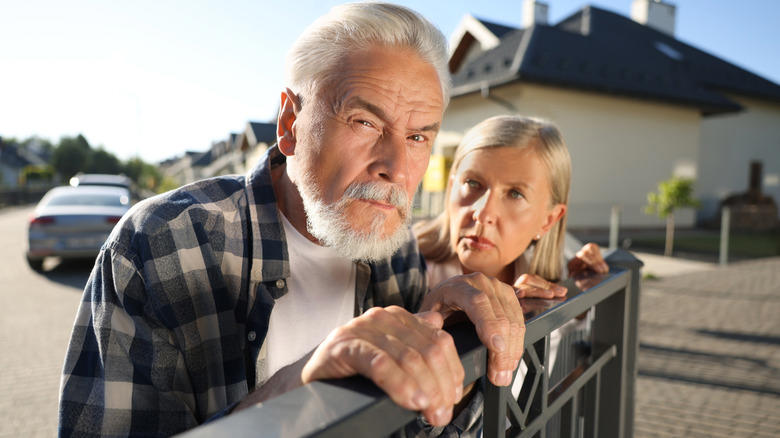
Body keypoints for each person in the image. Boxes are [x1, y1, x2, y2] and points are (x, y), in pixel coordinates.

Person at [58, 3, 525, 437]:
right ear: (289, 123)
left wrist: (455, 360)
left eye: (419, 136)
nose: (398, 168)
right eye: (365, 122)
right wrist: (295, 388)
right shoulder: (159, 245)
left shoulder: (396, 244)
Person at [414, 115, 608, 401]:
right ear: (451, 187)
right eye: (472, 183)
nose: (483, 212)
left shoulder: (546, 280)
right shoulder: (398, 266)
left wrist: (584, 289)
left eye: (515, 193)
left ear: (548, 220)